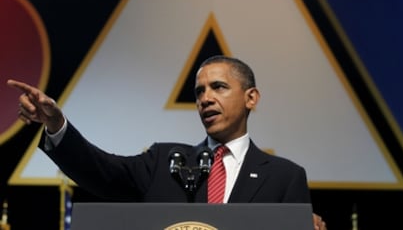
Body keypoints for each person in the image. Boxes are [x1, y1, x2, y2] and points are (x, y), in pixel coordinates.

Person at [8, 55, 326, 229]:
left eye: (218, 87)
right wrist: (55, 123)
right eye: (199, 91)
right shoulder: (164, 161)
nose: (206, 98)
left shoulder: (285, 177)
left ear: (251, 98)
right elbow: (100, 171)